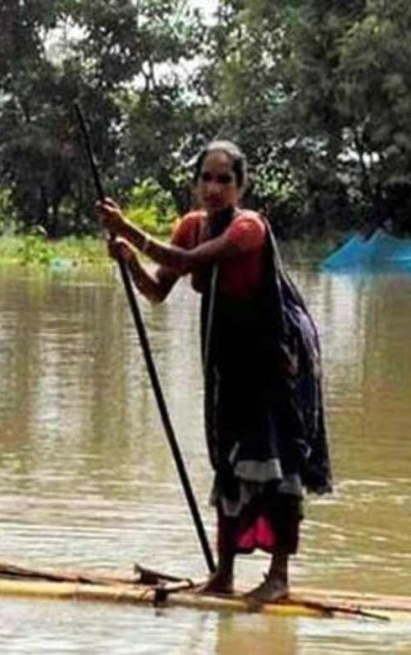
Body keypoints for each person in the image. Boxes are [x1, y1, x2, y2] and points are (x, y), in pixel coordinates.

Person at [96, 140, 332, 602]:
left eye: (225, 179)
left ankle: (279, 577)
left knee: (274, 460)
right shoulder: (190, 226)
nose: (214, 188)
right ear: (196, 182)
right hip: (226, 358)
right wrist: (129, 261)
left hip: (271, 356)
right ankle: (224, 574)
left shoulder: (249, 228)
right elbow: (158, 290)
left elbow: (185, 263)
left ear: (241, 185)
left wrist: (130, 229)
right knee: (227, 460)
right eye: (206, 177)